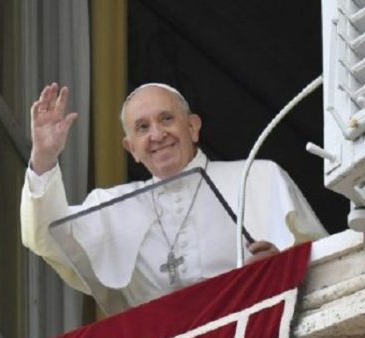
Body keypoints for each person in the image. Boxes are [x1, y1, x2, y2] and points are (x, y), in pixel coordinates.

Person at [21, 82, 327, 313]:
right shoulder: (113, 206)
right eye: (142, 128)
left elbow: (328, 267)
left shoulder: (258, 177)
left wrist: (282, 267)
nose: (156, 135)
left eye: (166, 119)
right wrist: (44, 157)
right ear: (132, 149)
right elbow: (50, 237)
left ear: (192, 128)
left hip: (254, 335)